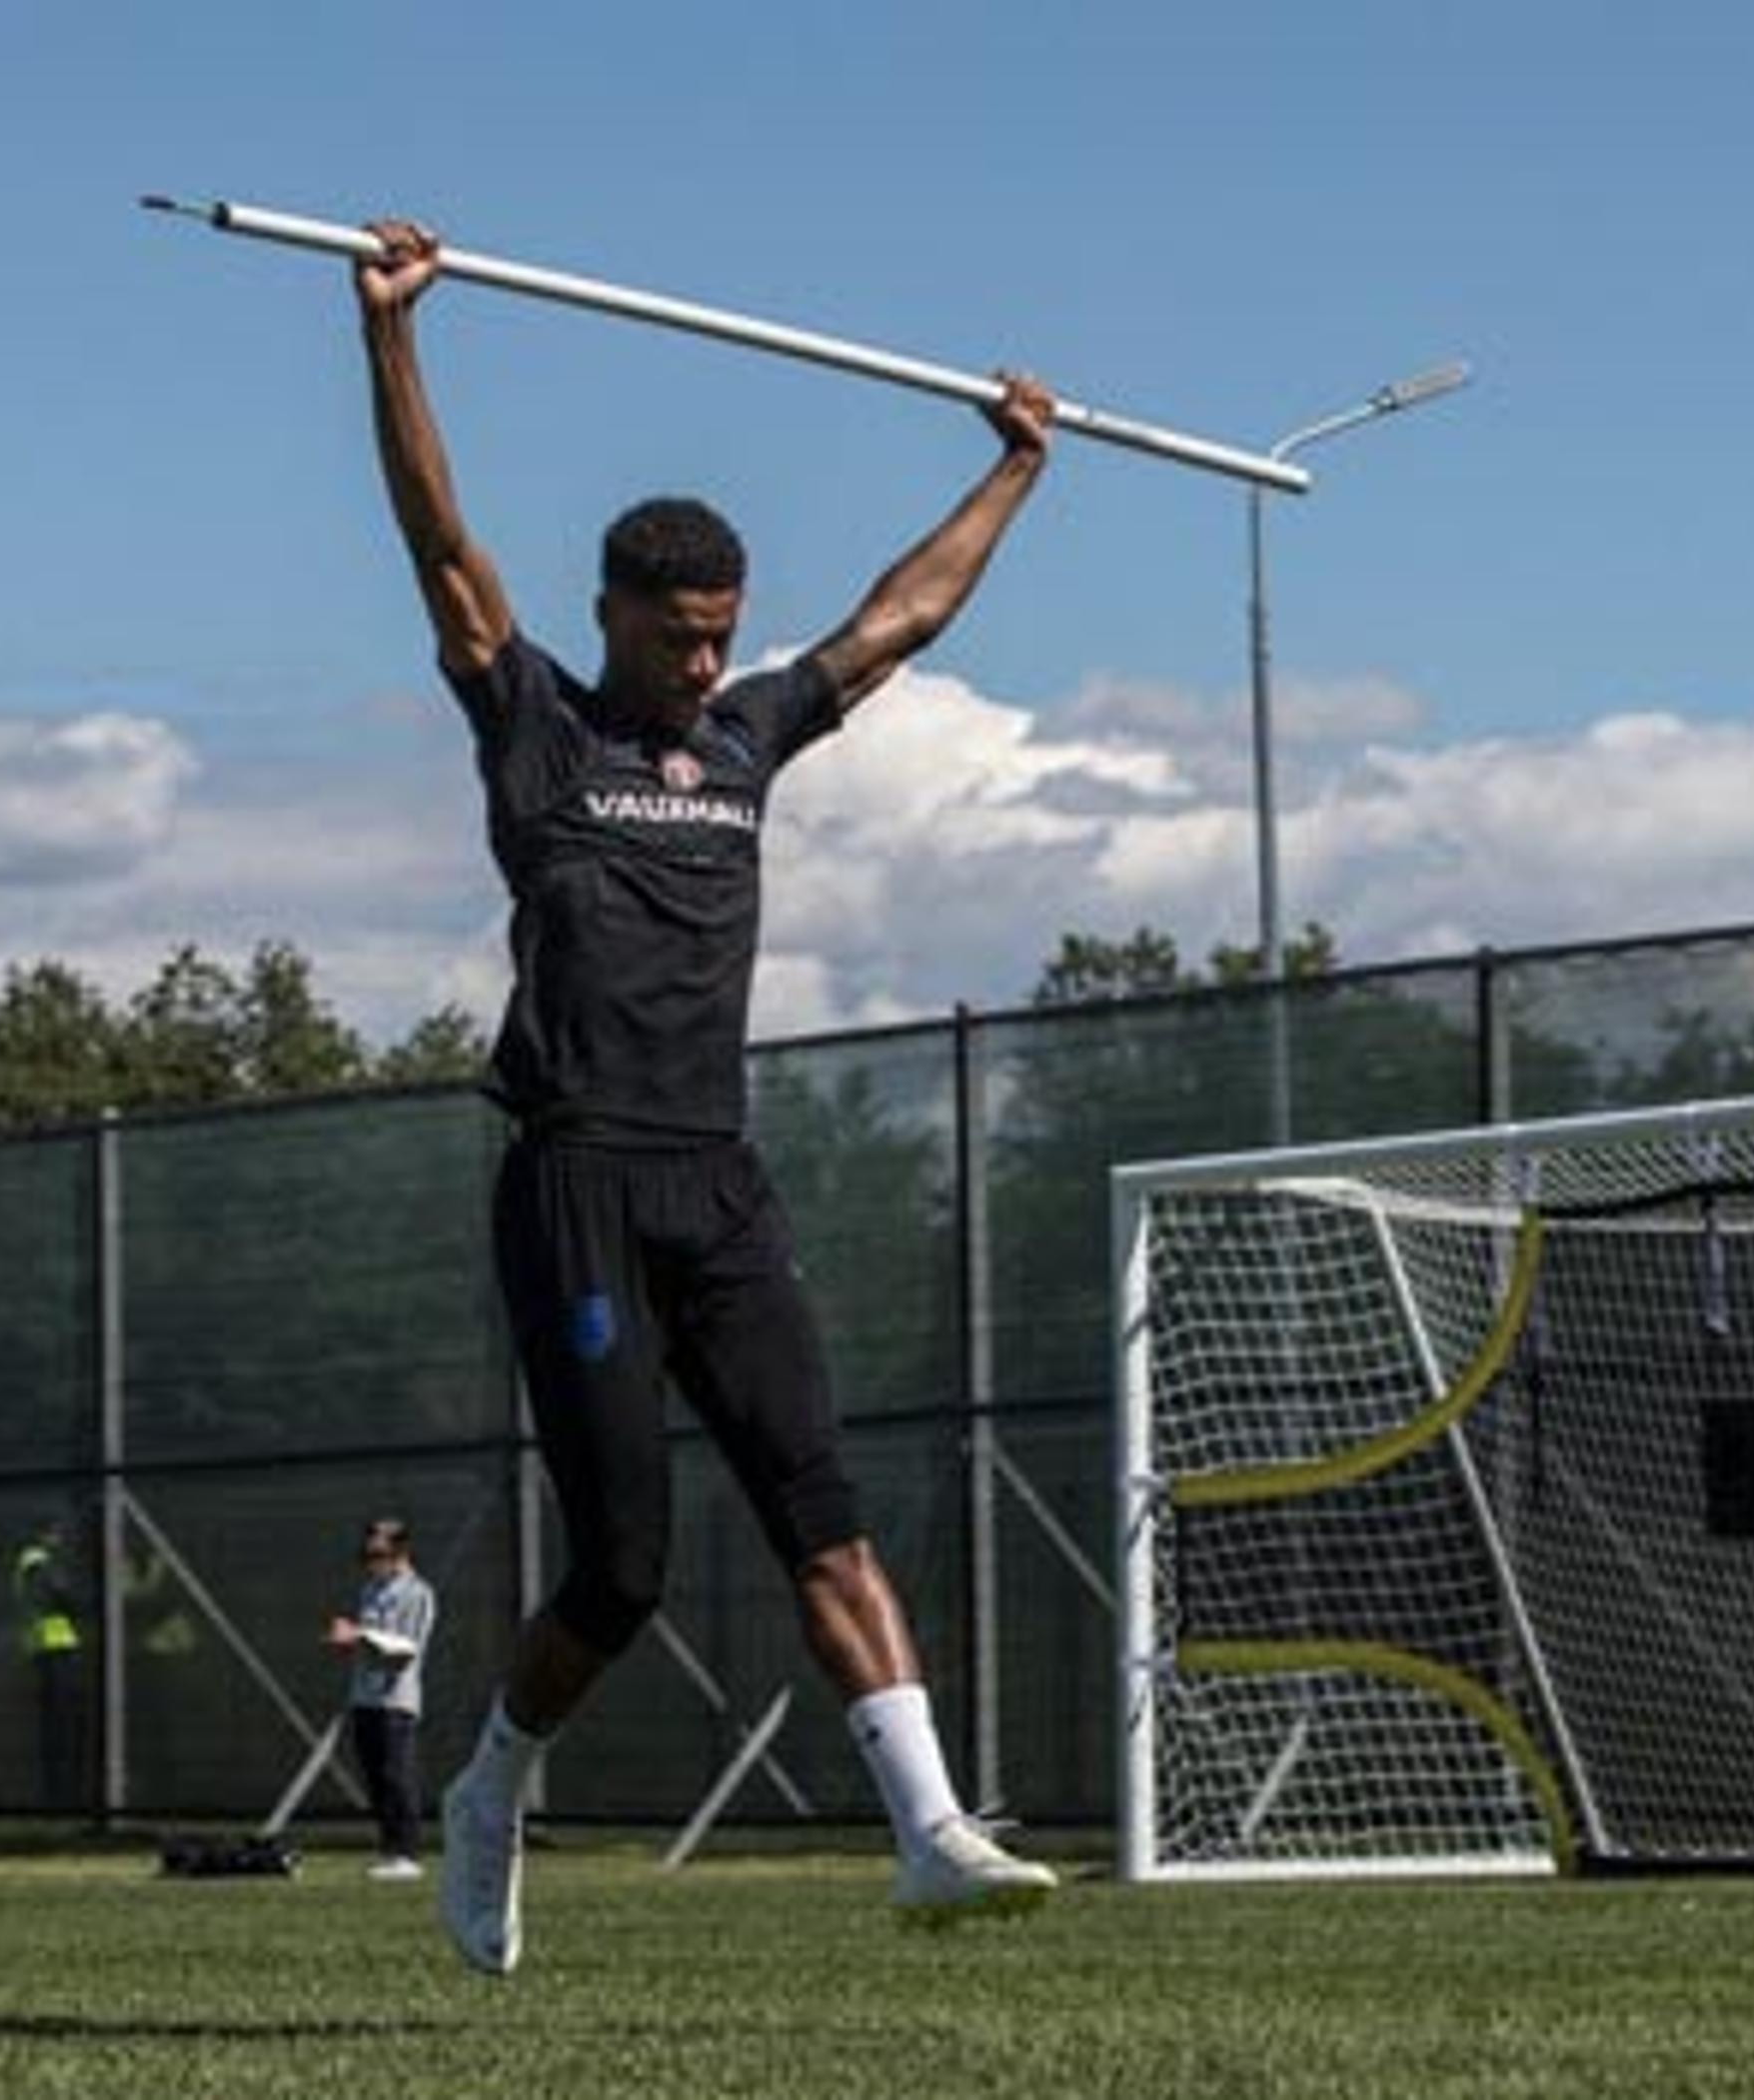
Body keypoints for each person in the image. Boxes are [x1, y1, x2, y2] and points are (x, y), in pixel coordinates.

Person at [351, 216, 1059, 1973]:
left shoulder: (746, 735)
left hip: (719, 1179)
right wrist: (391, 338)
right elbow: (442, 546)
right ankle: (493, 1786)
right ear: (612, 616)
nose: (697, 661)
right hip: (577, 1180)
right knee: (623, 1572)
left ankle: (929, 1831)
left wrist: (1017, 468)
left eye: (717, 635)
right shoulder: (538, 729)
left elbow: (901, 620)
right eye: (674, 635)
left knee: (820, 1506)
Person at [327, 1516, 439, 1880]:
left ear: (400, 1551)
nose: (371, 1560)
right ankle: (389, 1850)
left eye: (379, 1552)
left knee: (396, 1775)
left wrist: (358, 1635)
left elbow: (407, 1648)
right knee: (375, 1777)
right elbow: (371, 1644)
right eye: (368, 1553)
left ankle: (407, 1854)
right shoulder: (370, 1591)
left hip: (396, 1699)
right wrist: (349, 1642)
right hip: (364, 1697)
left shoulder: (418, 1593)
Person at [10, 1514, 85, 1814]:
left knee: (60, 1724)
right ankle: (60, 1796)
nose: (60, 1540)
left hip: (50, 1648)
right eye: (55, 1534)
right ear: (43, 1535)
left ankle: (61, 1793)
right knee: (59, 1726)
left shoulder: (34, 1563)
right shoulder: (36, 1562)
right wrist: (76, 1601)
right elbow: (59, 1595)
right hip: (53, 1648)